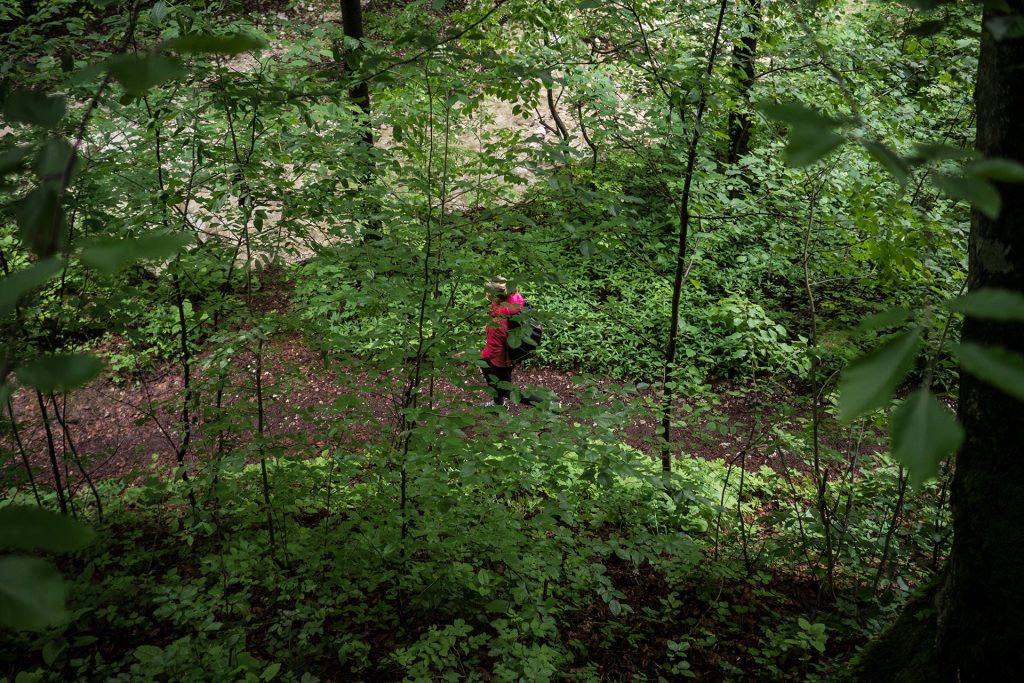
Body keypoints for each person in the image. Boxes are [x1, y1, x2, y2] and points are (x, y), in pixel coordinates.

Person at [480, 277, 542, 408]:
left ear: (495, 298)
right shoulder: (515, 299)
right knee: (486, 368)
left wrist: (474, 356)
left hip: (503, 358)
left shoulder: (497, 323)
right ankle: (498, 404)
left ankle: (546, 403)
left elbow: (493, 351)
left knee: (505, 389)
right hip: (513, 348)